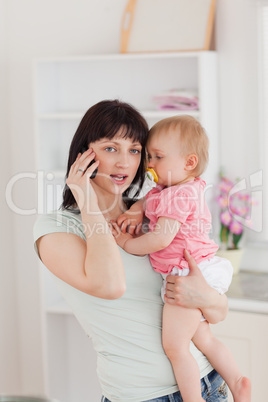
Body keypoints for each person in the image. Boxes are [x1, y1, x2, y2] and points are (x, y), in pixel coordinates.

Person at [34, 100, 230, 402]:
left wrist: (205, 297)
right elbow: (110, 286)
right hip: (141, 396)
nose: (125, 162)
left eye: (135, 150)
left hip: (207, 385)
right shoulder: (56, 228)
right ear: (84, 154)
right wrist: (87, 201)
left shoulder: (155, 214)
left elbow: (217, 314)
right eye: (111, 148)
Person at [111, 115, 251, 402]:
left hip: (186, 273)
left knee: (175, 347)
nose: (150, 164)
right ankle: (237, 382)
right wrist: (137, 209)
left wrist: (126, 242)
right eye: (149, 156)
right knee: (204, 339)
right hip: (197, 269)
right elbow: (151, 199)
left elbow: (160, 239)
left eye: (158, 157)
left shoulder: (179, 195)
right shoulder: (175, 188)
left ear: (189, 162)